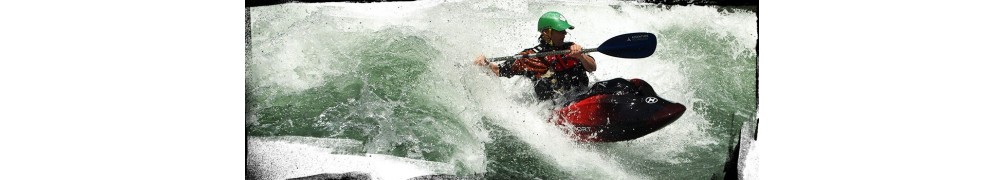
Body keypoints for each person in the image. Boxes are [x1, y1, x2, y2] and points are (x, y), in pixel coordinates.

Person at [474, 11, 597, 101]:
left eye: (564, 30)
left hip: (582, 97)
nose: (565, 33)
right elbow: (498, 71)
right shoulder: (529, 57)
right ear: (546, 33)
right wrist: (485, 63)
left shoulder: (573, 48)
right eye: (560, 31)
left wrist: (581, 56)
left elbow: (592, 67)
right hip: (556, 109)